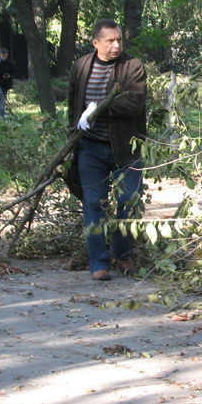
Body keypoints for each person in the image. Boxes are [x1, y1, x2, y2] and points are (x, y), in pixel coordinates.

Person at [68, 19, 147, 281]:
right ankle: (98, 263)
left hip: (126, 148)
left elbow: (133, 104)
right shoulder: (81, 66)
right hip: (90, 148)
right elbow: (72, 104)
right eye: (110, 40)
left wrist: (98, 107)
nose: (116, 45)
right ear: (95, 43)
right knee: (93, 203)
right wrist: (74, 132)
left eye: (119, 40)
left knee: (128, 202)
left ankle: (122, 255)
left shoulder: (132, 66)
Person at [0, 47, 15, 119]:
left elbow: (14, 73)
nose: (4, 57)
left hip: (6, 83)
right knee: (2, 98)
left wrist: (9, 76)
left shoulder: (10, 63)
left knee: (3, 98)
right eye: (2, 55)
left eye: (5, 55)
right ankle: (2, 115)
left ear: (7, 55)